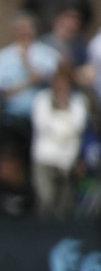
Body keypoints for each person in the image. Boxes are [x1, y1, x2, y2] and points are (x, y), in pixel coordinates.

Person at [0, 13, 61, 163]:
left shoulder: (49, 55)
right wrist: (30, 82)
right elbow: (3, 92)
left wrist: (28, 65)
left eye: (28, 28)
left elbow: (55, 83)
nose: (25, 32)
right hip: (12, 120)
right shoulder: (2, 57)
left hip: (41, 122)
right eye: (21, 28)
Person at [30, 66, 89, 219]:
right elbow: (42, 125)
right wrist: (64, 120)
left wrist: (62, 111)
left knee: (63, 209)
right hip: (44, 159)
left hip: (67, 162)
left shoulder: (78, 102)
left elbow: (78, 127)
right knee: (45, 202)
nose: (60, 86)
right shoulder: (42, 99)